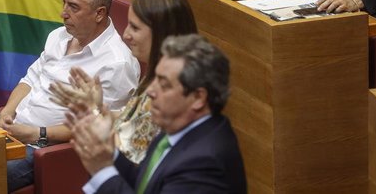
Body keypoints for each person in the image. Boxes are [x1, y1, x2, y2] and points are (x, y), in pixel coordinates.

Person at [0, 0, 140, 192]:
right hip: (10, 127)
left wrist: (36, 133)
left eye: (73, 7)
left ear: (99, 13)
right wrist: (8, 111)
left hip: (44, 148)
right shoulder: (59, 36)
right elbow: (29, 79)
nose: (63, 13)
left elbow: (102, 128)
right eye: (64, 3)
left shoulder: (117, 63)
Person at [68, 34, 247, 194]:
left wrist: (102, 171)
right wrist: (108, 152)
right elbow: (146, 182)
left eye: (164, 84)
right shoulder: (175, 128)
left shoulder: (205, 162)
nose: (151, 91)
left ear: (198, 97)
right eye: (154, 80)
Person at [50, 0, 198, 164]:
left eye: (135, 28)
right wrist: (96, 105)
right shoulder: (158, 74)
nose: (126, 35)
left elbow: (128, 152)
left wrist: (91, 114)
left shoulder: (170, 92)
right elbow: (131, 118)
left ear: (162, 33)